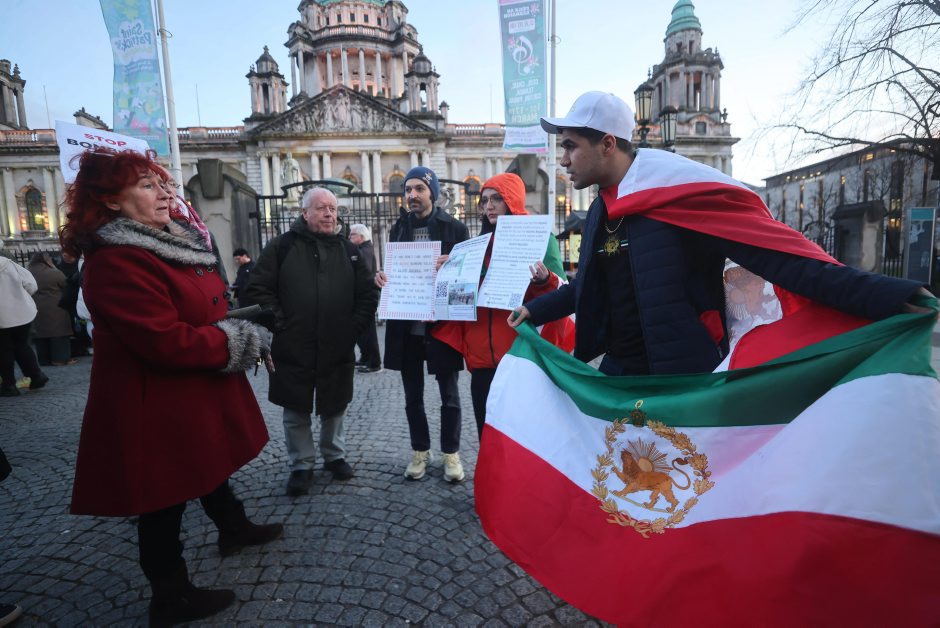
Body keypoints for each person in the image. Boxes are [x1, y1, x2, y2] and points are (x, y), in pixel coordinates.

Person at [509, 91, 927, 375]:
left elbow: (780, 258)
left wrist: (887, 296)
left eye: (569, 145)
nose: (562, 159)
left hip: (683, 379)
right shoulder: (601, 208)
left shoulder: (678, 194)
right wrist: (536, 310)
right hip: (619, 374)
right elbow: (589, 285)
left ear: (606, 144)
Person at [62, 147, 282, 626]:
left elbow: (198, 306)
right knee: (163, 497)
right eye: (147, 185)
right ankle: (170, 595)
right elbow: (164, 340)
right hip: (154, 399)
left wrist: (237, 319)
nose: (165, 193)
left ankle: (233, 527)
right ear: (112, 201)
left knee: (207, 463)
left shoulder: (165, 242)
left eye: (163, 183)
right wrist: (237, 339)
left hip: (190, 388)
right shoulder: (117, 261)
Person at [245, 187, 378, 495]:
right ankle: (301, 464)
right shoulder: (281, 247)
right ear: (304, 213)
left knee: (335, 404)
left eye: (333, 208)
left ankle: (334, 456)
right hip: (293, 344)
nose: (329, 214)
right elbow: (258, 289)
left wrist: (352, 329)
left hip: (337, 343)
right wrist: (281, 324)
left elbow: (367, 295)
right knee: (295, 408)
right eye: (321, 208)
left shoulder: (350, 251)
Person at [432, 173, 575, 439]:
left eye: (497, 199)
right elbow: (460, 299)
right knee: (487, 434)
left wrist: (545, 279)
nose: (489, 206)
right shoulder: (473, 247)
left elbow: (562, 295)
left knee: (522, 437)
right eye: (484, 200)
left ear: (513, 200)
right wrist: (448, 273)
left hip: (519, 356)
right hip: (482, 360)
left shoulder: (541, 239)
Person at [375, 166, 470, 482]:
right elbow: (394, 271)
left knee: (450, 396)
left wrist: (452, 266)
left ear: (433, 192)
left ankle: (451, 453)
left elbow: (467, 281)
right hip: (407, 329)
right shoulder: (398, 228)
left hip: (441, 327)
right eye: (408, 189)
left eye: (419, 189)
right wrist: (382, 277)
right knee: (412, 396)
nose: (412, 195)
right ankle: (420, 450)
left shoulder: (455, 228)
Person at [0, 255, 48, 396]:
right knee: (21, 344)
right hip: (22, 311)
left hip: (2, 315)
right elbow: (31, 285)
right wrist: (21, 297)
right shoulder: (8, 264)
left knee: (4, 349)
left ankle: (9, 385)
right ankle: (36, 375)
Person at [26, 252, 75, 366]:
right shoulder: (53, 272)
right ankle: (60, 359)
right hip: (56, 307)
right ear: (47, 260)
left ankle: (44, 359)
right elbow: (65, 284)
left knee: (40, 334)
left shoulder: (27, 272)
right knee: (59, 333)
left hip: (35, 307)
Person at [348, 224, 382, 373]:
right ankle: (365, 357)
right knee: (362, 332)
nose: (349, 237)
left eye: (352, 235)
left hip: (366, 296)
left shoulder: (364, 251)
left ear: (361, 237)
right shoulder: (362, 249)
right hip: (361, 296)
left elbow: (364, 273)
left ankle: (374, 362)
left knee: (368, 332)